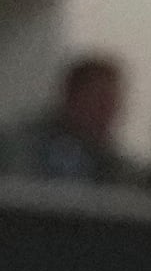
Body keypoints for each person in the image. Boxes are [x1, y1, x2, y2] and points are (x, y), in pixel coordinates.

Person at [0, 56, 136, 186]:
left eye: (113, 102)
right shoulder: (20, 145)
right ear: (72, 96)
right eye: (100, 101)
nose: (109, 112)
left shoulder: (116, 167)